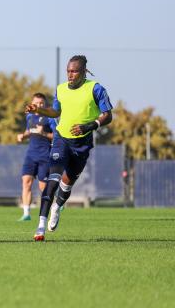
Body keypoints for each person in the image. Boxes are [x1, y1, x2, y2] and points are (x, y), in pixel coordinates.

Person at [25, 55, 113, 241]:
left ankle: (57, 207)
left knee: (66, 185)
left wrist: (89, 126)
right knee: (53, 179)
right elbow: (55, 112)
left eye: (74, 71)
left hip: (82, 144)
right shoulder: (60, 89)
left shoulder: (95, 89)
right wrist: (38, 110)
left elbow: (108, 115)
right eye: (68, 71)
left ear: (83, 72)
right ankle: (40, 226)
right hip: (61, 139)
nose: (70, 75)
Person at [17, 93, 56, 221]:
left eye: (41, 103)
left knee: (43, 187)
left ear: (45, 105)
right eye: (36, 103)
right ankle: (26, 213)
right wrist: (23, 136)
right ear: (32, 103)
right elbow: (29, 131)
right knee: (26, 182)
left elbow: (56, 137)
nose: (39, 105)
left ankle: (52, 210)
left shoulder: (50, 118)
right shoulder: (30, 117)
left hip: (45, 155)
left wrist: (43, 133)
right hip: (31, 154)